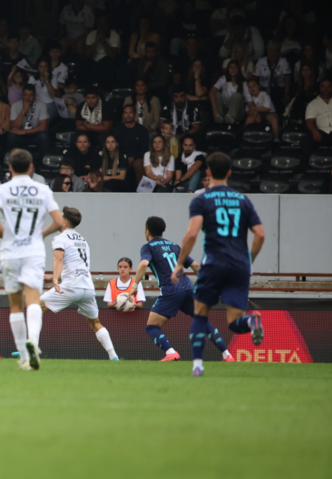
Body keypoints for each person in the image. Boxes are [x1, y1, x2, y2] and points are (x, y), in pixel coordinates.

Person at [172, 152, 266, 376]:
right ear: (230, 173)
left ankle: (197, 366)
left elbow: (192, 234)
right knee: (234, 322)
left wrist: (178, 265)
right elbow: (260, 234)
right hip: (239, 266)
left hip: (214, 263)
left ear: (207, 173)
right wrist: (249, 260)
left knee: (200, 313)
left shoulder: (202, 200)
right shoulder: (243, 200)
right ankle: (251, 322)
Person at [0, 149, 65, 370]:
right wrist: (42, 233)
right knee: (33, 300)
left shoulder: (1, 189)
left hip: (10, 252)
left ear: (9, 168)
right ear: (31, 168)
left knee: (15, 305)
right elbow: (59, 222)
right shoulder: (43, 189)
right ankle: (34, 342)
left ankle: (23, 355)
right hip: (34, 252)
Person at [124, 216, 232, 364]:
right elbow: (195, 266)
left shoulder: (148, 247)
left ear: (147, 231)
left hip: (171, 290)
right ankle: (227, 355)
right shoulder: (174, 246)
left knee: (152, 327)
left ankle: (171, 352)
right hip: (188, 288)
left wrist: (134, 287)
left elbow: (143, 265)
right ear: (162, 231)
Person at [41, 207, 119, 361]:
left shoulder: (60, 238)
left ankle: (28, 347)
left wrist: (55, 279)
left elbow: (59, 258)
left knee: (35, 308)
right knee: (95, 322)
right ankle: (114, 356)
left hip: (71, 287)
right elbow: (77, 267)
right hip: (87, 288)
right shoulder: (83, 240)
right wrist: (53, 278)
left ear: (64, 222)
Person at [7, 83, 50, 154]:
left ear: (35, 96)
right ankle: (13, 160)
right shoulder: (15, 106)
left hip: (34, 134)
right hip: (20, 135)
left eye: (31, 95)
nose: (28, 97)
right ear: (22, 95)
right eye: (26, 95)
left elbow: (43, 127)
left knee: (44, 136)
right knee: (11, 136)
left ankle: (41, 160)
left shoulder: (41, 104)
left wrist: (25, 132)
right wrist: (23, 111)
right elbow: (14, 127)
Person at [114, 104, 151, 183]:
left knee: (138, 165)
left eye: (130, 113)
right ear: (123, 115)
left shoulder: (142, 130)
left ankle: (141, 193)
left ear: (135, 114)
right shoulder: (117, 130)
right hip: (121, 157)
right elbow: (115, 147)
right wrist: (124, 158)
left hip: (137, 158)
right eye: (125, 113)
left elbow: (144, 149)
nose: (128, 115)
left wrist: (133, 158)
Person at [253, 41, 292, 108]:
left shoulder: (284, 61)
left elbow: (287, 80)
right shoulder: (260, 61)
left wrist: (285, 96)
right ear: (267, 51)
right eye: (270, 51)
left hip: (279, 90)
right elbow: (254, 79)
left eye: (274, 51)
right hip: (263, 89)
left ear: (278, 52)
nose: (272, 54)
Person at [210, 60, 250, 124]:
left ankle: (231, 116)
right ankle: (218, 117)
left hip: (238, 112)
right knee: (217, 94)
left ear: (238, 69)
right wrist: (215, 109)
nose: (233, 69)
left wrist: (254, 111)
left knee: (236, 95)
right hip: (223, 110)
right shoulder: (223, 79)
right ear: (228, 69)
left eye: (235, 67)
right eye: (231, 67)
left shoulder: (243, 83)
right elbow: (212, 92)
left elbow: (249, 101)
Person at [305, 78, 332, 149]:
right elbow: (309, 121)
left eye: (328, 86)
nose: (326, 89)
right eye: (323, 86)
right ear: (320, 88)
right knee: (306, 141)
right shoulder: (312, 104)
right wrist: (314, 131)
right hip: (322, 133)